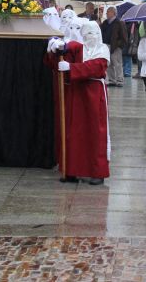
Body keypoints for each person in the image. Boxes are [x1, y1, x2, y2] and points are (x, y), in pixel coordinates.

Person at [48, 20, 110, 185]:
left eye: (94, 33)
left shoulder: (103, 50)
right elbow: (63, 56)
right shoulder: (78, 48)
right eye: (87, 33)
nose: (91, 36)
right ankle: (71, 170)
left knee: (96, 133)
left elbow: (97, 67)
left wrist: (72, 68)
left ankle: (97, 172)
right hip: (77, 93)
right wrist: (54, 50)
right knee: (74, 131)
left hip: (95, 93)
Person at [101, 6, 128, 87]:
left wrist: (118, 45)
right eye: (107, 12)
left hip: (115, 46)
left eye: (108, 12)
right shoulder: (105, 22)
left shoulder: (119, 23)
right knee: (109, 64)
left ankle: (120, 80)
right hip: (106, 45)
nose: (106, 13)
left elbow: (124, 36)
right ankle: (112, 79)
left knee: (117, 63)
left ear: (113, 13)